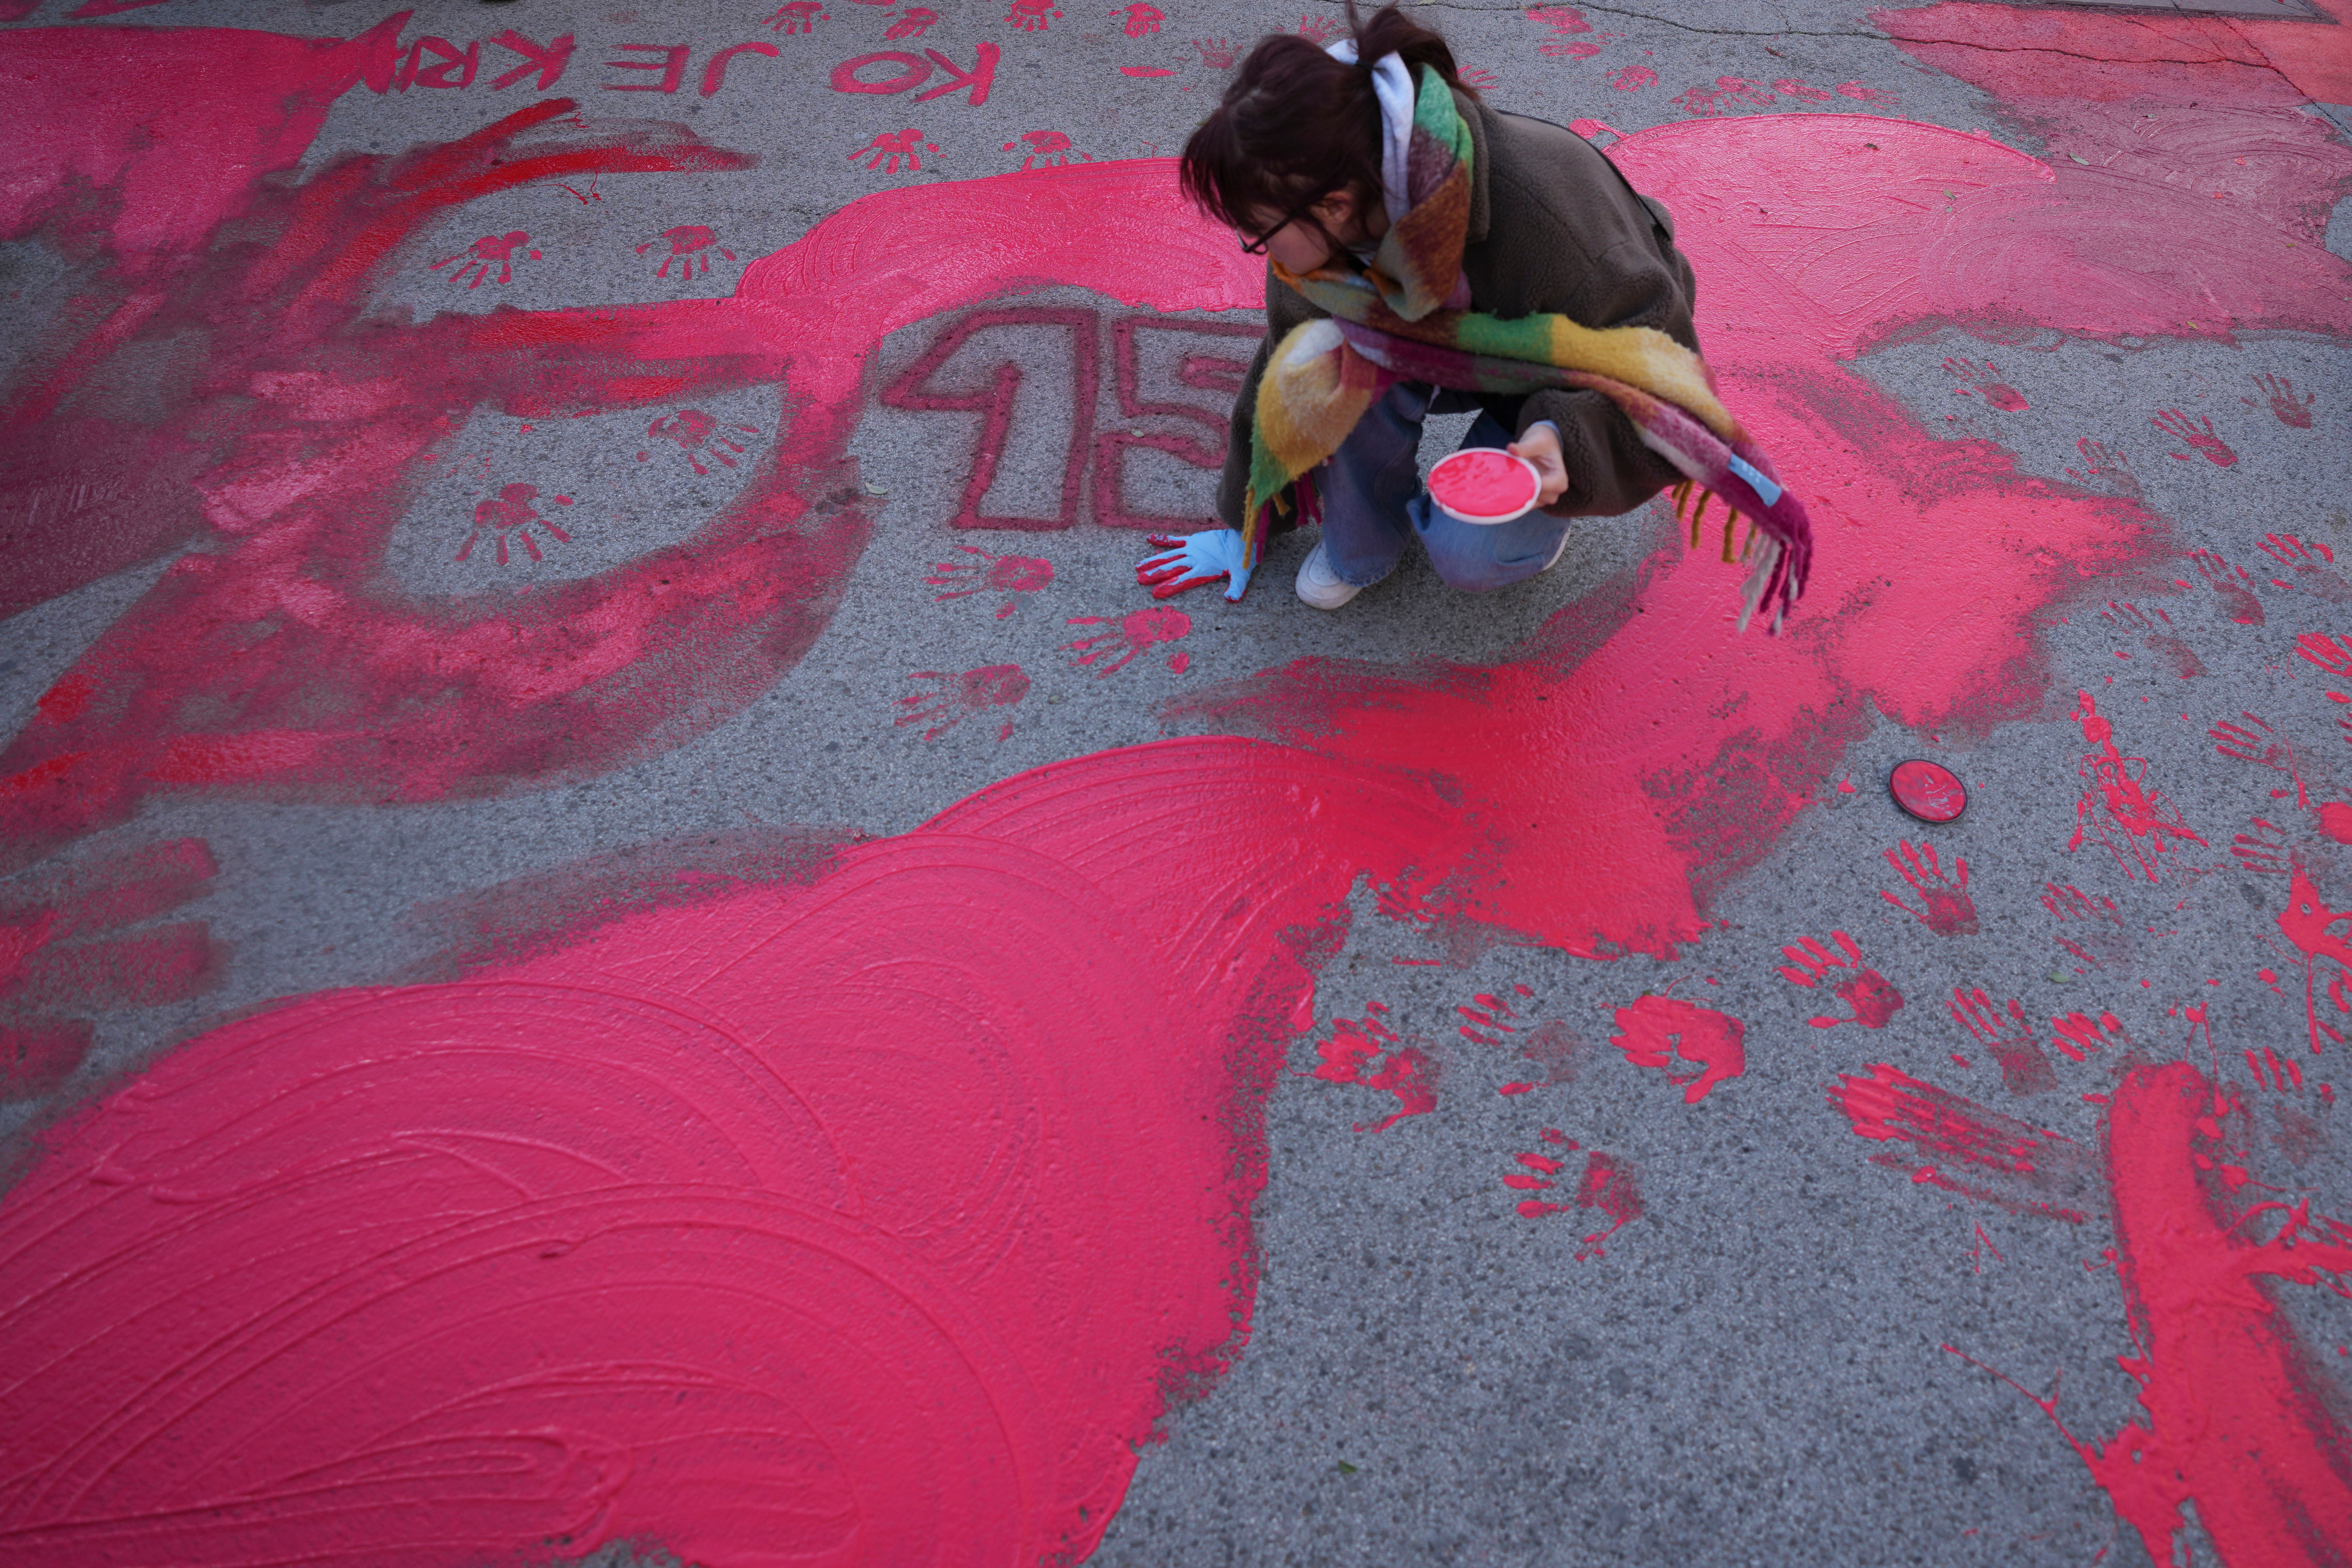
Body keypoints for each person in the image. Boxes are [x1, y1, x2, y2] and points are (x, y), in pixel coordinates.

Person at [1140, 2, 1703, 610]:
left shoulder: (1553, 220)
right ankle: (1364, 548)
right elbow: (1284, 366)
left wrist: (1562, 438)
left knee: (1471, 553)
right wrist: (1244, 524)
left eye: (1258, 230)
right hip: (1458, 342)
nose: (1259, 248)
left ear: (1331, 205)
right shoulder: (1323, 239)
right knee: (1326, 358)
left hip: (1580, 357)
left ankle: (1533, 520)